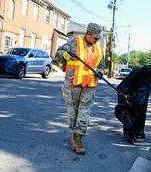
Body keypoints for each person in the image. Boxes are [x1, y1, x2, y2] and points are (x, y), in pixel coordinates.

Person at [54, 22, 105, 154]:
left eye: (98, 38)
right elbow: (57, 54)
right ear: (88, 33)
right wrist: (65, 55)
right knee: (74, 112)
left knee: (84, 112)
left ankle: (78, 140)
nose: (96, 40)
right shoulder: (74, 43)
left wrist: (100, 72)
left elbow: (102, 65)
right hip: (73, 84)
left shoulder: (98, 47)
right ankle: (74, 136)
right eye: (95, 37)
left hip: (90, 85)